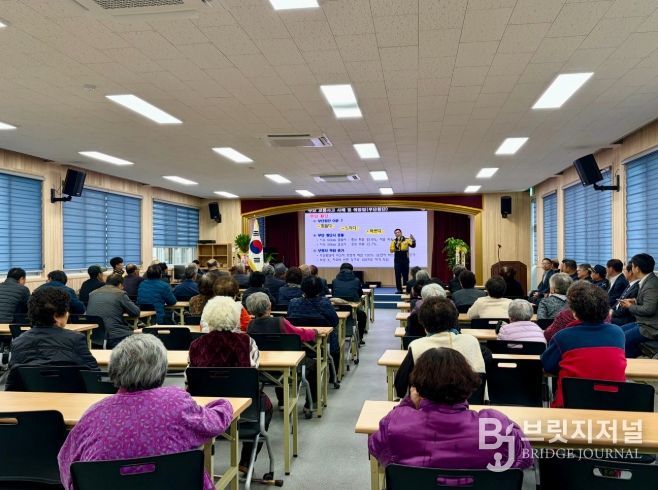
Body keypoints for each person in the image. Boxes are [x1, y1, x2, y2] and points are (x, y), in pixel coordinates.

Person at [58, 334, 233, 490]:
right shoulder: (176, 402)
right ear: (161, 369)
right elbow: (215, 423)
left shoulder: (93, 414)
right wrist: (222, 404)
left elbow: (66, 465)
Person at [371, 348, 533, 470]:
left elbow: (378, 450)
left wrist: (408, 404)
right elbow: (525, 458)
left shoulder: (397, 423)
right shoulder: (494, 424)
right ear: (468, 382)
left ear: (417, 387)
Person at [188, 296, 265, 473]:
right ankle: (246, 461)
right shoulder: (247, 342)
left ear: (208, 317)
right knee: (265, 405)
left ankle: (203, 463)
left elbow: (189, 379)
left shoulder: (195, 345)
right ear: (235, 317)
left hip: (204, 409)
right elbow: (253, 373)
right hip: (244, 408)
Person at [541, 281, 626, 407]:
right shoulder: (618, 333)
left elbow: (547, 366)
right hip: (612, 405)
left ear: (574, 313)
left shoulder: (563, 337)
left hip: (572, 404)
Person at [6, 288, 98, 391]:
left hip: (32, 399)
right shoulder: (76, 340)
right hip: (71, 398)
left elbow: (12, 383)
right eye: (66, 311)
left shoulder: (18, 342)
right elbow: (95, 375)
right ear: (56, 316)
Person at [395, 297, 485, 398]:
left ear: (422, 323)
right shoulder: (471, 341)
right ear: (454, 320)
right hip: (469, 402)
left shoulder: (417, 345)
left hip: (429, 405)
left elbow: (400, 387)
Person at [246, 291, 318, 411]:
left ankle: (282, 401)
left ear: (250, 310)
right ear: (269, 306)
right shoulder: (280, 322)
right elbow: (299, 334)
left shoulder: (250, 325)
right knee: (314, 365)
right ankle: (312, 404)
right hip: (286, 366)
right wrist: (314, 332)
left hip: (262, 370)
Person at [619, 253, 658, 358]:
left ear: (637, 268)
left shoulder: (651, 285)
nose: (631, 269)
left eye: (632, 266)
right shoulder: (648, 280)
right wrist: (635, 301)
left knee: (622, 339)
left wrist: (630, 306)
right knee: (618, 332)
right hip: (643, 323)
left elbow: (649, 309)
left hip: (650, 327)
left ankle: (628, 363)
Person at [86, 274, 140, 349]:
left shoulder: (92, 293)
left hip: (94, 335)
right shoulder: (120, 294)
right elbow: (136, 312)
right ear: (120, 284)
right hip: (114, 335)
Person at [331, 262, 366, 342]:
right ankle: (359, 338)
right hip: (352, 310)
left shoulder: (334, 281)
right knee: (362, 315)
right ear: (352, 271)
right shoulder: (357, 280)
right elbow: (360, 294)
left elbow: (333, 295)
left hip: (337, 310)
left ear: (340, 270)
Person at [611, 262, 640, 326]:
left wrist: (612, 313)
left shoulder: (636, 288)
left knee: (601, 320)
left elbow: (626, 310)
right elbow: (619, 301)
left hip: (625, 319)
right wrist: (611, 309)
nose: (623, 273)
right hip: (618, 313)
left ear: (630, 272)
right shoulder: (630, 284)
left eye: (624, 270)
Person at [389, 228, 416, 293]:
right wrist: (396, 246)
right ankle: (399, 289)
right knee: (397, 275)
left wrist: (413, 240)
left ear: (401, 233)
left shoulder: (406, 239)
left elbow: (413, 246)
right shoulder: (394, 241)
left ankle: (405, 288)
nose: (397, 234)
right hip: (397, 260)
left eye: (398, 232)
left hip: (405, 260)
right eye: (396, 233)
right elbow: (391, 250)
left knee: (405, 275)